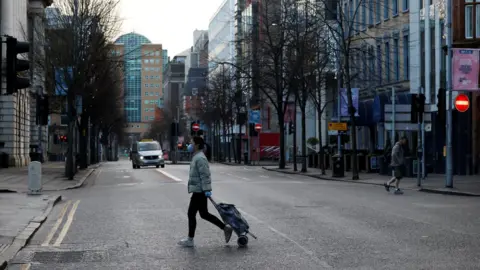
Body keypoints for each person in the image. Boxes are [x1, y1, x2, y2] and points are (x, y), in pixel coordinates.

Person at [177, 136, 233, 247]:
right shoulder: (197, 157)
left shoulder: (200, 158)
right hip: (199, 190)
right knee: (204, 214)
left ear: (197, 145)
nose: (189, 145)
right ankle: (225, 228)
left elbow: (205, 175)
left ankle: (190, 239)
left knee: (191, 213)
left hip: (199, 191)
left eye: (191, 143)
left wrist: (207, 189)